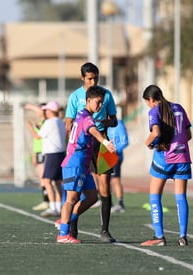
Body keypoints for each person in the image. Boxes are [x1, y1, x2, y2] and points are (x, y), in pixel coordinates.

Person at [64, 62, 118, 243]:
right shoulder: (75, 97)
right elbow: (69, 122)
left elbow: (115, 120)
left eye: (96, 78)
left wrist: (105, 122)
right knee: (77, 191)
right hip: (82, 146)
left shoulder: (106, 94)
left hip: (102, 144)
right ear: (82, 78)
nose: (93, 81)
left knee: (104, 188)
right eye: (90, 78)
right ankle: (71, 228)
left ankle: (105, 230)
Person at [140, 84, 192, 247]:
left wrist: (148, 143)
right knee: (181, 197)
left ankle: (159, 237)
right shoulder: (179, 107)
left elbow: (155, 133)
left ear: (150, 100)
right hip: (183, 157)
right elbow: (188, 134)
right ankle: (183, 237)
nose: (148, 105)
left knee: (155, 197)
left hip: (165, 158)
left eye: (147, 102)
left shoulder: (154, 110)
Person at [27, 101, 66, 217]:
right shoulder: (60, 121)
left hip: (52, 154)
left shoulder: (50, 122)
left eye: (46, 110)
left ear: (50, 111)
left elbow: (37, 136)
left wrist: (30, 127)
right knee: (58, 182)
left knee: (47, 181)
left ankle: (53, 207)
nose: (45, 112)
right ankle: (58, 207)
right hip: (60, 153)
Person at [25, 103, 49, 211]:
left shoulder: (47, 122)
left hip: (45, 152)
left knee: (46, 179)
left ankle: (48, 201)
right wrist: (35, 154)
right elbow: (36, 141)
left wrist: (30, 106)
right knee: (41, 178)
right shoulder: (42, 122)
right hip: (39, 152)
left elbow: (38, 137)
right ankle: (47, 200)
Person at [108, 116, 129, 213]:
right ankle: (108, 202)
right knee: (106, 180)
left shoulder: (119, 124)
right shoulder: (105, 125)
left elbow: (125, 141)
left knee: (115, 180)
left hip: (115, 157)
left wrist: (115, 149)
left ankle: (120, 203)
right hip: (106, 157)